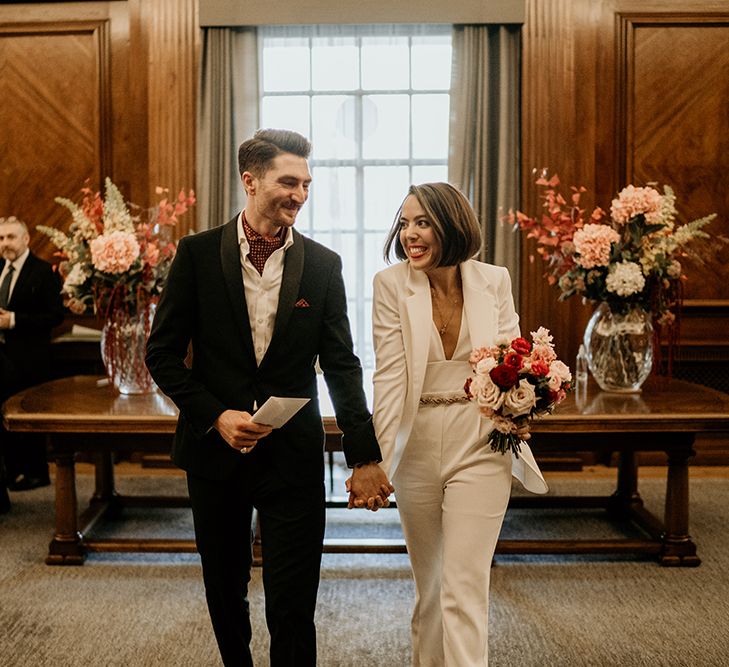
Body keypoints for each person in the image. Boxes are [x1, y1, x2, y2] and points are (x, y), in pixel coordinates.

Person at [145, 128, 393, 667]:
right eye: (289, 181)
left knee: (293, 602)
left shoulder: (323, 265)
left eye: (306, 184)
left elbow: (342, 365)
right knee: (225, 590)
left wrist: (364, 455)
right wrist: (215, 415)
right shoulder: (194, 255)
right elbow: (161, 356)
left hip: (293, 456)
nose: (300, 194)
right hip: (214, 454)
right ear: (249, 181)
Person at [369, 183, 548, 666]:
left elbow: (515, 360)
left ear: (451, 225)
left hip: (481, 438)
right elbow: (388, 379)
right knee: (430, 588)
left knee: (465, 585)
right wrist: (381, 462)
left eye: (422, 222)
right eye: (404, 223)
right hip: (418, 443)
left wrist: (524, 403)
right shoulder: (390, 286)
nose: (410, 234)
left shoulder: (495, 280)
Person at [0, 216, 64, 504]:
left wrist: (13, 320)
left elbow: (54, 316)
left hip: (29, 357)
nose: (5, 244)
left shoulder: (43, 271)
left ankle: (37, 472)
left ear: (26, 239)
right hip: (1, 360)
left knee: (28, 417)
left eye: (11, 238)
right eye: (1, 239)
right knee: (5, 419)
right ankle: (12, 473)